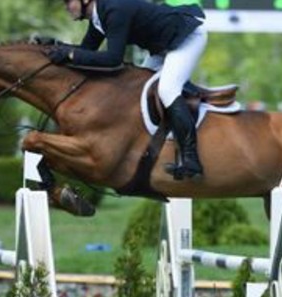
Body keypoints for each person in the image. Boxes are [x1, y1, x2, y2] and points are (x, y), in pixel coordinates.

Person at [49, 0, 206, 179]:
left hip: (187, 37)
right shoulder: (98, 17)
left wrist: (70, 54)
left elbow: (113, 59)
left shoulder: (114, 9)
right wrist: (56, 46)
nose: (66, 7)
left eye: (68, 1)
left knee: (167, 90)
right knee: (137, 93)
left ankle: (191, 161)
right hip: (164, 46)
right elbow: (87, 50)